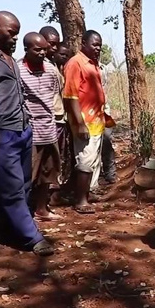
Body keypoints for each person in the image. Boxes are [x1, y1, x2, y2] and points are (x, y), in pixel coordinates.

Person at [0, 11, 54, 256]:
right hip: (2, 134)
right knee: (12, 188)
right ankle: (33, 238)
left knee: (24, 186)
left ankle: (8, 229)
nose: (15, 38)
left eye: (17, 32)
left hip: (23, 130)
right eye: (11, 32)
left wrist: (28, 126)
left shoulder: (9, 58)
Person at [18, 33, 63, 221]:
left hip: (49, 130)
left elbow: (53, 96)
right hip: (30, 131)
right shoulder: (17, 70)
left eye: (45, 49)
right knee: (27, 175)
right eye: (37, 49)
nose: (43, 53)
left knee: (47, 172)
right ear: (26, 49)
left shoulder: (52, 71)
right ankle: (23, 214)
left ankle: (41, 209)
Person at [63, 30, 106, 214]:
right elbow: (70, 96)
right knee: (85, 160)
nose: (97, 49)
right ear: (83, 43)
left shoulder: (93, 64)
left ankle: (87, 193)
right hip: (84, 121)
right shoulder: (75, 63)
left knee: (94, 160)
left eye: (99, 46)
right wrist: (80, 123)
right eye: (94, 45)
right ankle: (80, 200)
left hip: (97, 120)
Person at [52, 42, 75, 187]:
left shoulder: (64, 70)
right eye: (62, 54)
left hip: (63, 118)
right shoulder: (51, 70)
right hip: (54, 118)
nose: (64, 57)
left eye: (67, 55)